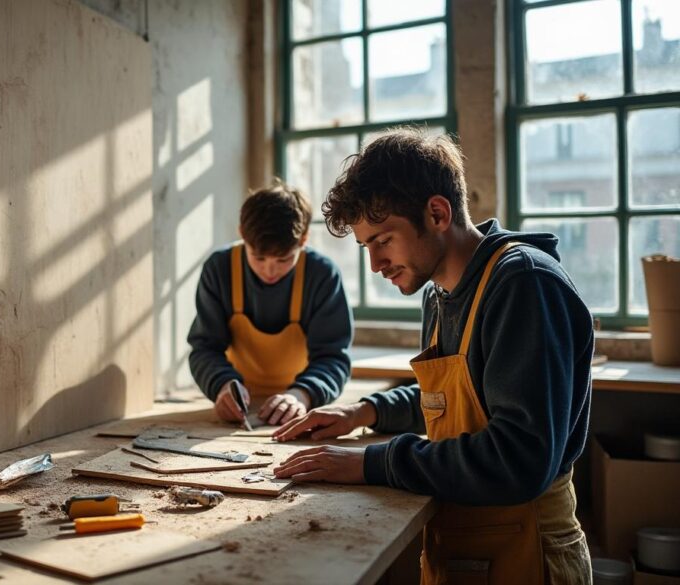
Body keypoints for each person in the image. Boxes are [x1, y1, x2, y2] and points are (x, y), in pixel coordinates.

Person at [272, 128, 593, 584]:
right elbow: (451, 404)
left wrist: (373, 462)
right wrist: (363, 412)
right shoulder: (440, 292)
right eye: (366, 247)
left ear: (438, 213)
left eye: (382, 240)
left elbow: (520, 459)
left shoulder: (523, 284)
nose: (375, 265)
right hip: (462, 546)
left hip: (528, 550)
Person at [187, 180, 353, 427]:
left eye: (284, 259)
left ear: (303, 240)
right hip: (238, 404)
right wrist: (221, 385)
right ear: (242, 234)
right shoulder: (219, 268)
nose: (270, 270)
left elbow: (333, 357)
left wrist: (302, 394)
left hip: (300, 402)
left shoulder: (322, 274)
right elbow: (204, 348)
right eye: (258, 257)